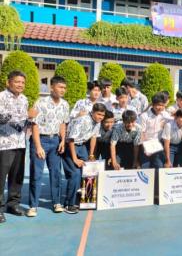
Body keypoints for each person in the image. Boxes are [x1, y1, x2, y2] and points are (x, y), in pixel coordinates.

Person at [27, 76, 69, 217]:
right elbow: (35, 125)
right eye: (60, 87)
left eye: (64, 87)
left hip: (56, 141)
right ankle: (33, 206)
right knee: (36, 174)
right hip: (41, 141)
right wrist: (38, 147)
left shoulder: (65, 104)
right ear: (52, 87)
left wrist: (63, 140)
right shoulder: (41, 103)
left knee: (56, 173)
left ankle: (56, 202)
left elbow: (63, 123)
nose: (63, 90)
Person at [63, 103, 105, 214]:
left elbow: (94, 137)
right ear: (93, 112)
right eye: (99, 114)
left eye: (102, 115)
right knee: (75, 174)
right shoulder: (83, 120)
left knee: (88, 172)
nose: (101, 117)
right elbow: (71, 139)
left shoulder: (97, 123)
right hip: (72, 146)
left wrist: (91, 154)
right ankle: (68, 204)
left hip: (83, 146)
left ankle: (86, 200)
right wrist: (75, 158)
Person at [0, 71, 31, 223]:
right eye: (17, 82)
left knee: (17, 176)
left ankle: (13, 204)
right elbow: (2, 117)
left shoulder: (25, 99)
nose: (20, 85)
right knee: (1, 177)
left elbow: (24, 123)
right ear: (8, 82)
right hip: (4, 144)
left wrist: (30, 120)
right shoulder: (1, 97)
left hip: (20, 142)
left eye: (22, 83)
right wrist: (25, 117)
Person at [139, 94, 169, 169]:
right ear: (152, 104)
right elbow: (142, 133)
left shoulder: (165, 114)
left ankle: (158, 181)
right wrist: (145, 147)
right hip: (146, 144)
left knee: (159, 166)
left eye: (162, 105)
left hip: (158, 144)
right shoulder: (144, 116)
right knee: (145, 167)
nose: (160, 108)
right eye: (158, 105)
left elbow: (175, 118)